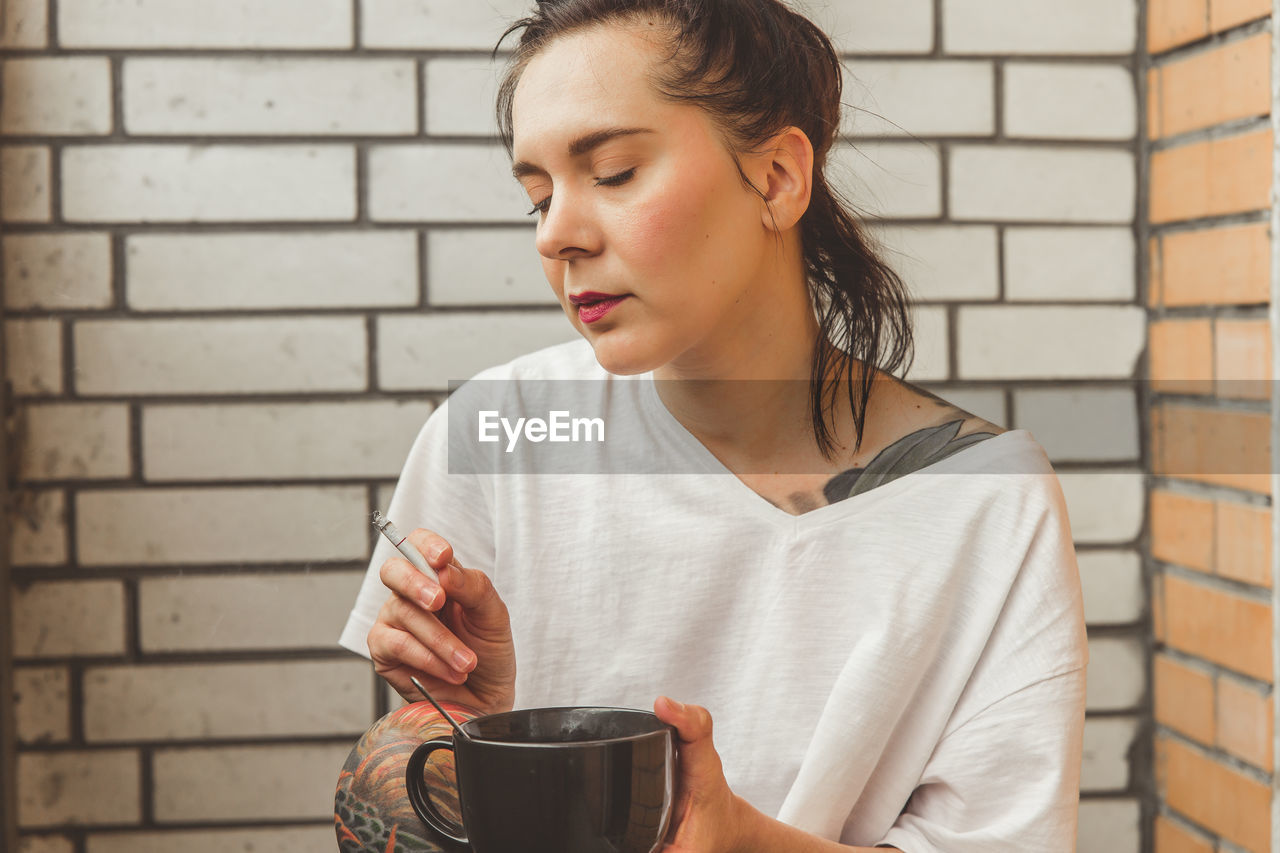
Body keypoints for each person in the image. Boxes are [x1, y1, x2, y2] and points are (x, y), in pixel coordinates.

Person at [337, 1, 1088, 850]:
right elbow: (401, 796)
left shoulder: (984, 501)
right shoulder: (497, 433)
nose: (558, 235)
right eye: (537, 197)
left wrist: (743, 840)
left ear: (775, 177)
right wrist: (479, 723)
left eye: (614, 173)